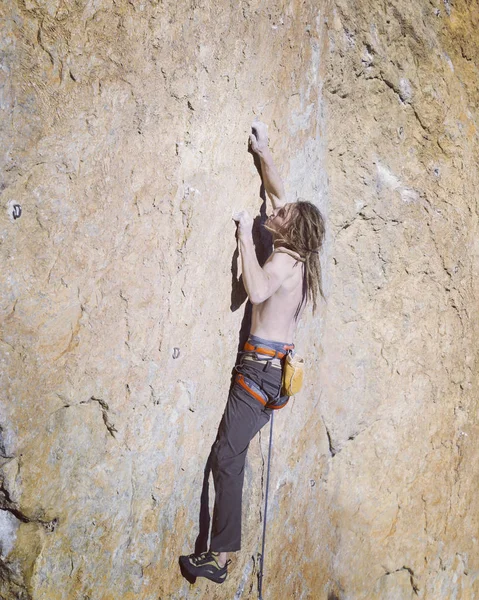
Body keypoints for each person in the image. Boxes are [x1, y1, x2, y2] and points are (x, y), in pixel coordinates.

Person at [179, 121, 326, 584]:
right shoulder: (299, 252)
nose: (273, 212)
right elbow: (280, 195)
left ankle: (219, 559)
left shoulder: (281, 260)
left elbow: (256, 291)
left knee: (226, 455)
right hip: (272, 374)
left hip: (258, 372)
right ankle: (219, 553)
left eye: (281, 216)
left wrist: (244, 233)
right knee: (232, 453)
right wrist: (263, 152)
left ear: (291, 231)